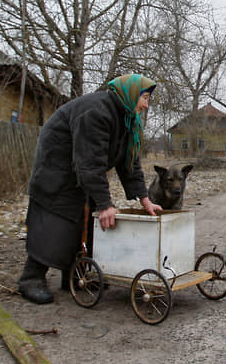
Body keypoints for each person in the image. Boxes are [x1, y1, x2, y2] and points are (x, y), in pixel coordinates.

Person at [17, 74, 163, 304]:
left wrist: (144, 199)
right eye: (144, 98)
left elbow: (130, 162)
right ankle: (31, 279)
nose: (145, 105)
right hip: (56, 171)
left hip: (80, 171)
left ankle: (74, 276)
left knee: (86, 221)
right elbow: (90, 161)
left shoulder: (127, 119)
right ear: (130, 93)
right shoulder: (97, 111)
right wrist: (106, 204)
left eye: (147, 99)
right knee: (56, 223)